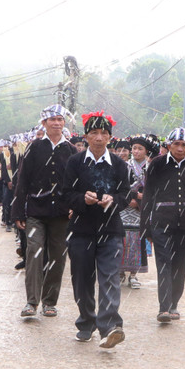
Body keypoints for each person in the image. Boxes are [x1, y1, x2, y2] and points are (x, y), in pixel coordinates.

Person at [62, 111, 129, 348]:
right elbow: (66, 194)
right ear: (86, 137)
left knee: (110, 277)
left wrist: (114, 200)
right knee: (82, 278)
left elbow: (125, 194)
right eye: (94, 133)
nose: (99, 138)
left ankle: (110, 326)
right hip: (81, 230)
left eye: (103, 133)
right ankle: (86, 322)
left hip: (110, 230)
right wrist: (83, 200)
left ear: (110, 137)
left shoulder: (120, 165)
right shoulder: (75, 163)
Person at [12, 104, 76, 319]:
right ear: (44, 123)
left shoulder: (71, 150)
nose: (56, 123)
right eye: (52, 120)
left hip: (61, 213)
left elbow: (75, 183)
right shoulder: (34, 147)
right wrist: (18, 212)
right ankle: (31, 302)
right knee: (34, 253)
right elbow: (23, 180)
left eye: (60, 119)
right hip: (36, 211)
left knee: (58, 257)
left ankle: (50, 302)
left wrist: (73, 207)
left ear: (64, 123)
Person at [140, 127, 185, 323]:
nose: (180, 148)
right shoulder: (157, 165)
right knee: (164, 263)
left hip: (184, 224)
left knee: (179, 265)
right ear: (169, 145)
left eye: (184, 145)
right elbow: (148, 196)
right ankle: (163, 307)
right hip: (161, 222)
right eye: (176, 144)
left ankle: (174, 304)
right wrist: (145, 226)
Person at [120, 135, 153, 288]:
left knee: (137, 240)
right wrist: (131, 197)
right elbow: (120, 187)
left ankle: (133, 275)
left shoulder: (151, 167)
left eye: (140, 149)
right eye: (134, 148)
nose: (136, 151)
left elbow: (154, 189)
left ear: (146, 151)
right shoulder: (125, 166)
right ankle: (119, 271)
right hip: (124, 208)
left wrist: (141, 200)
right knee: (122, 239)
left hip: (142, 209)